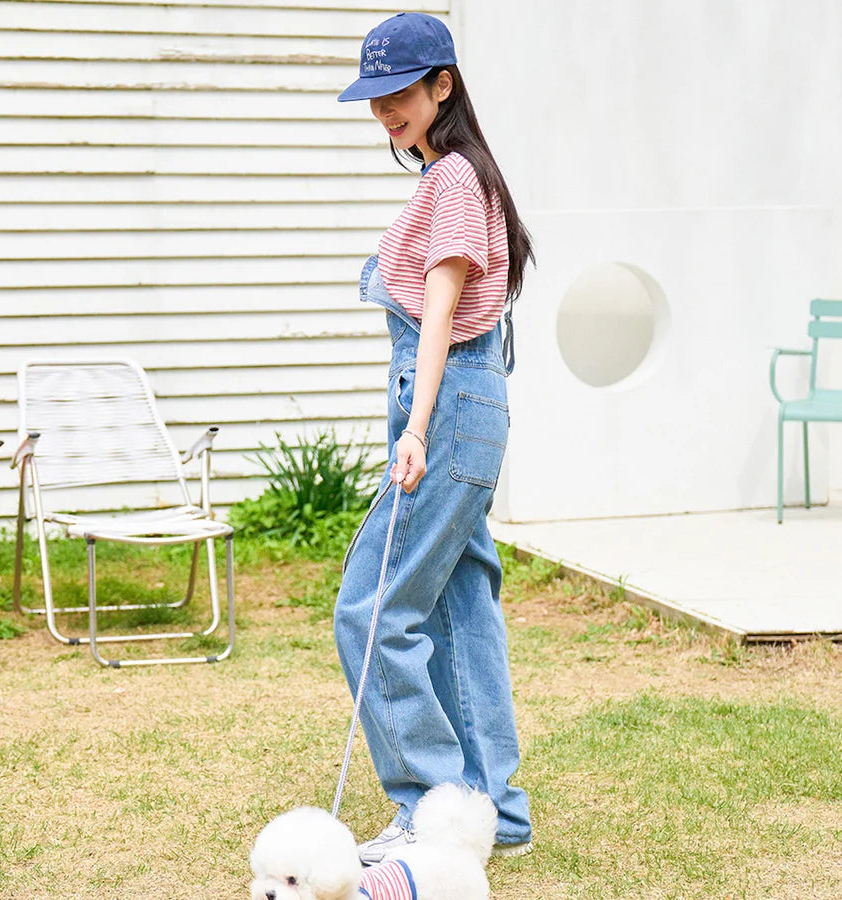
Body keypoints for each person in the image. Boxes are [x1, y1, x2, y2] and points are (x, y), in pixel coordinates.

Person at [333, 11, 534, 865]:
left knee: (372, 608)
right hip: (469, 404)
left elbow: (443, 310)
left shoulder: (451, 177)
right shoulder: (460, 174)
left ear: (442, 85)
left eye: (400, 93)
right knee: (460, 609)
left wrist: (414, 429)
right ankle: (494, 811)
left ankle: (428, 811)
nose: (386, 111)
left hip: (445, 406)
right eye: (375, 99)